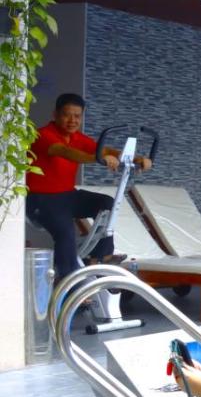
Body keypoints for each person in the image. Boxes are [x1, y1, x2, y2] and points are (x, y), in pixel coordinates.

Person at [26, 93, 151, 280]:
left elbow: (104, 149)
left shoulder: (77, 137)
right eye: (67, 115)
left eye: (77, 116)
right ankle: (69, 282)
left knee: (106, 203)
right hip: (41, 200)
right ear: (55, 114)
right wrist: (99, 159)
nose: (72, 120)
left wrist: (137, 158)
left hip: (67, 195)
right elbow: (65, 152)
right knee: (66, 232)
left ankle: (100, 256)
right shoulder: (42, 135)